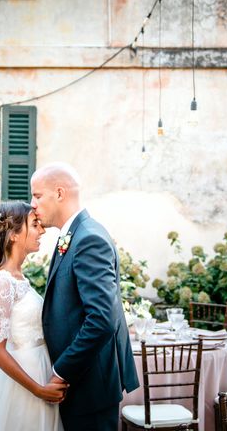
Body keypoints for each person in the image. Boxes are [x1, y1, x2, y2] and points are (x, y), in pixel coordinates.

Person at [30, 163, 139, 431]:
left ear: (59, 193)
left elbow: (102, 320)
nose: (32, 204)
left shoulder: (89, 239)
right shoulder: (73, 235)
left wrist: (61, 371)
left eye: (37, 195)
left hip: (89, 384)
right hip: (83, 382)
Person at [0, 201, 67, 431]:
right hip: (23, 383)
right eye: (35, 225)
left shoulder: (19, 278)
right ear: (14, 234)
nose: (42, 230)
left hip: (40, 368)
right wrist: (37, 388)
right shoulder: (2, 282)